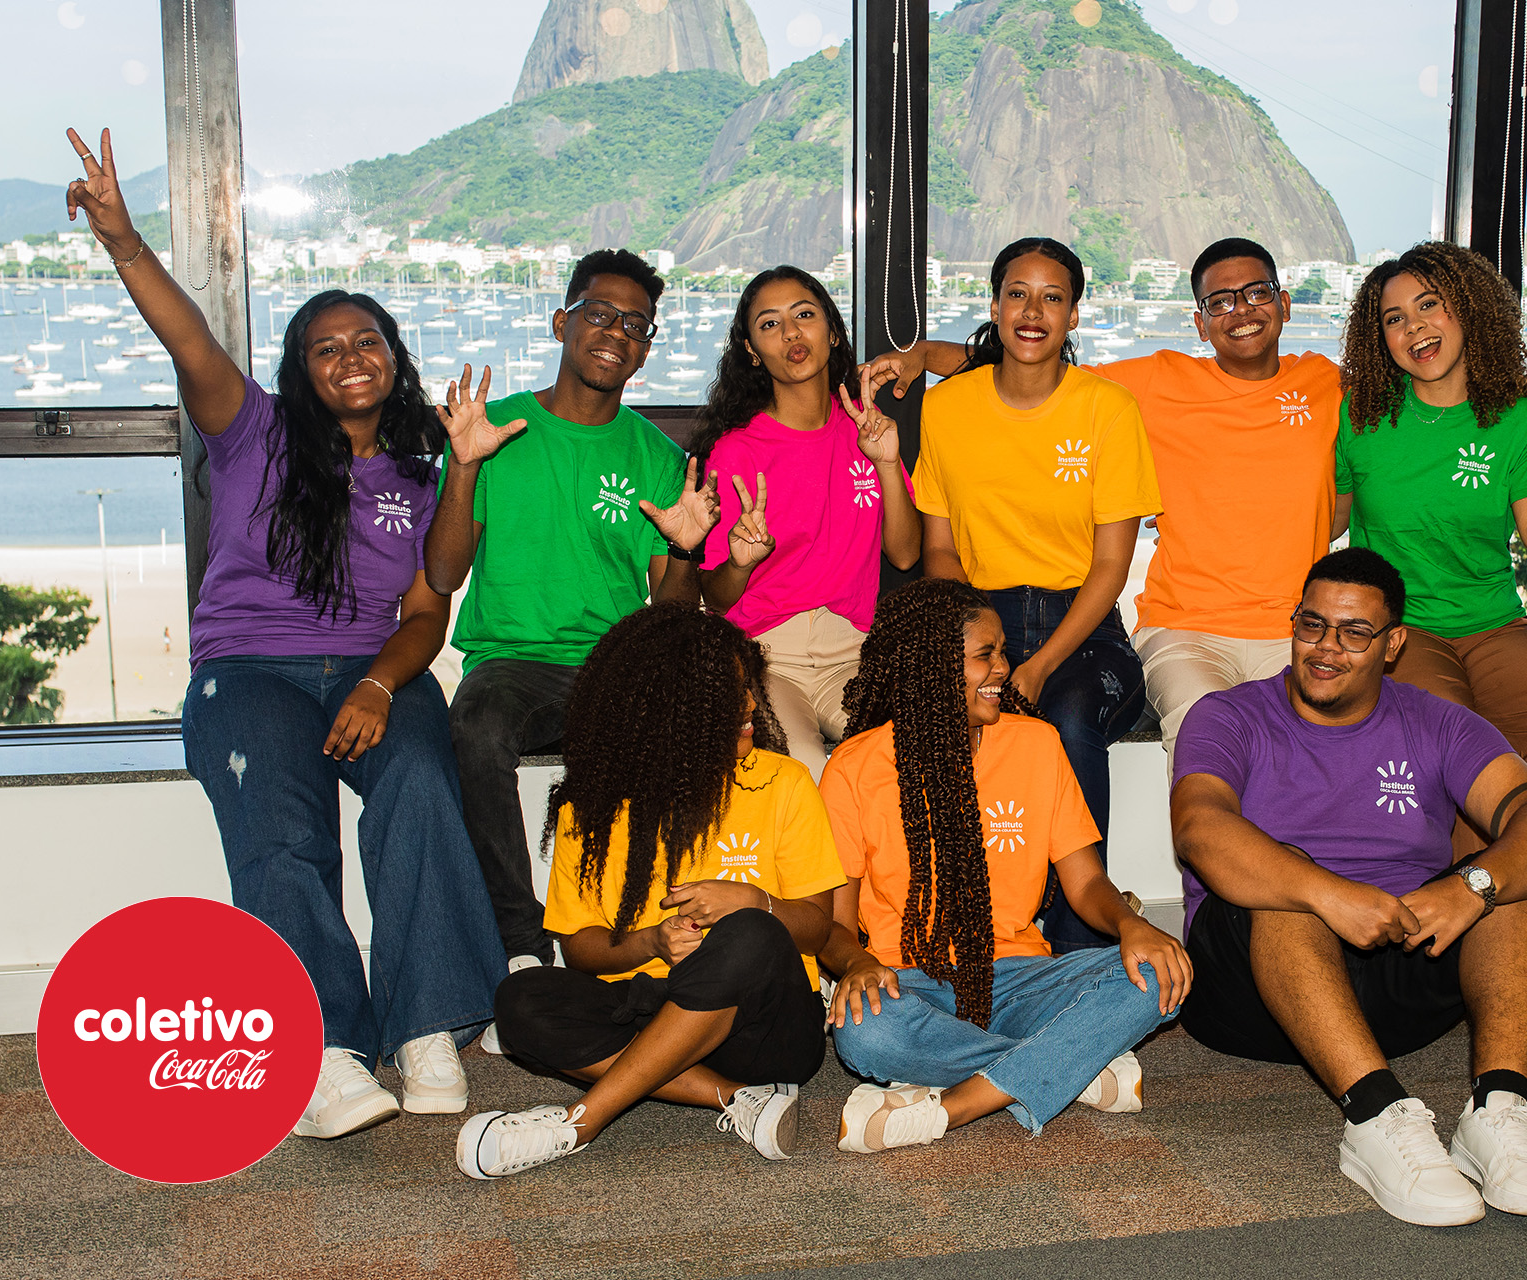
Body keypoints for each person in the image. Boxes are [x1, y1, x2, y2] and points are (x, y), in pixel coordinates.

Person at [65, 126, 506, 1137]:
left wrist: (380, 682)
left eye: (368, 342)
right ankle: (324, 1046)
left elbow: (432, 601)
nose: (351, 358)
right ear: (300, 370)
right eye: (327, 348)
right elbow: (187, 337)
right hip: (248, 669)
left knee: (421, 782)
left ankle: (426, 1024)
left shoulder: (416, 471)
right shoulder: (250, 429)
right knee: (282, 832)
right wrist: (123, 239)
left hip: (373, 667)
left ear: (394, 359)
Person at [865, 238, 1527, 768]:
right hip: (1187, 626)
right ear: (1201, 324)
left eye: (1255, 293)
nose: (1241, 311)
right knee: (1214, 755)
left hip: (1297, 627)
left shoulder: (1330, 385)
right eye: (1220, 302)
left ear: (1283, 305)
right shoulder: (1154, 382)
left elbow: (1426, 378)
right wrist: (926, 354)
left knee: (1324, 764)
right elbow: (1037, 364)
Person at [1171, 548, 1527, 1226]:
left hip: (1397, 969)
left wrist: (1473, 886)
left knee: (1509, 876)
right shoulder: (1228, 715)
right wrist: (1328, 893)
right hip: (1252, 992)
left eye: (1354, 632)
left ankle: (1499, 1112)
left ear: (1393, 645)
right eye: (1312, 625)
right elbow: (1199, 828)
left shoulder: (1436, 721)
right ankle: (1376, 1116)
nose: (1326, 648)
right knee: (1285, 878)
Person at [454, 604, 845, 1178]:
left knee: (749, 931)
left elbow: (817, 928)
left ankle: (579, 1122)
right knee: (520, 1001)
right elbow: (580, 949)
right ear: (671, 711)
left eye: (749, 687)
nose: (751, 705)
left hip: (764, 1029)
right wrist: (651, 943)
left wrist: (753, 901)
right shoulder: (593, 806)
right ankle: (734, 1099)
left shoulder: (781, 781)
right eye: (730, 694)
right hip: (647, 1004)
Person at [425, 249, 726, 977]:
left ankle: (644, 944)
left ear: (645, 351)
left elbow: (670, 617)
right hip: (513, 664)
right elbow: (443, 573)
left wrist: (684, 549)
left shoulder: (656, 456)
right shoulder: (495, 430)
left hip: (614, 667)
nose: (614, 332)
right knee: (474, 727)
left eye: (634, 324)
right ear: (562, 323)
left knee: (695, 733)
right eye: (598, 314)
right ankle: (522, 945)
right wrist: (463, 466)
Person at [817, 578, 1190, 1152]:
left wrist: (1131, 924)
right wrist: (857, 965)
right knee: (865, 1032)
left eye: (1002, 652)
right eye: (984, 655)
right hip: (908, 981)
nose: (1003, 668)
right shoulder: (854, 768)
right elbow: (835, 925)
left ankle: (959, 1104)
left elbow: (1086, 881)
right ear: (930, 668)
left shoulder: (1037, 744)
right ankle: (1071, 1065)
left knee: (1159, 973)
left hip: (1021, 976)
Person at [1334, 241, 1527, 928]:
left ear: (1468, 310)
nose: (1415, 327)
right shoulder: (1361, 413)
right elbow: (1323, 520)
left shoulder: (1521, 416)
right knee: (1456, 742)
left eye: (1429, 305)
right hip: (1402, 628)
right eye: (1394, 318)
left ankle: (1525, 907)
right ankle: (1457, 915)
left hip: (1493, 621)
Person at [910, 237, 1162, 952]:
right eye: (1017, 294)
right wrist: (979, 644)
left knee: (1068, 721)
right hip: (977, 613)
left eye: (1053, 298)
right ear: (994, 306)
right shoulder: (947, 407)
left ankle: (1079, 945)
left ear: (1073, 315)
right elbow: (939, 550)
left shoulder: (1107, 409)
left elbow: (1111, 565)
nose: (1032, 311)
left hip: (1082, 627)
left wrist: (1040, 663)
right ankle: (960, 927)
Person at [691, 265, 920, 779]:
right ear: (752, 351)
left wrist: (886, 463)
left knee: (902, 755)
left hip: (853, 652)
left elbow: (905, 554)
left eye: (804, 315)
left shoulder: (865, 430)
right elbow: (718, 599)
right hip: (768, 657)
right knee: (807, 769)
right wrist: (740, 561)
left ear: (832, 331)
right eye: (770, 324)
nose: (791, 333)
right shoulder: (737, 451)